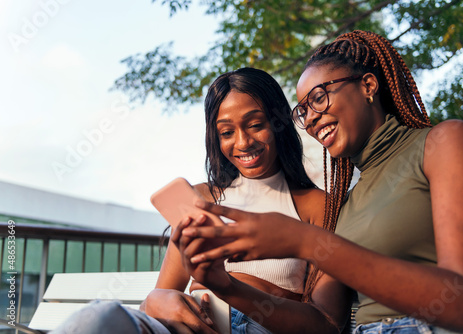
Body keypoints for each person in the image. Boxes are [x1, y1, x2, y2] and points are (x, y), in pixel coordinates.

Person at [175, 30, 463, 333]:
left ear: (368, 85)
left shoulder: (444, 143)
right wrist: (226, 286)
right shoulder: (345, 205)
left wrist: (304, 241)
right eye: (303, 110)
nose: (311, 118)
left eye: (318, 98)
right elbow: (326, 320)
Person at [52, 67, 347, 334]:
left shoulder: (318, 208)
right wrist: (158, 301)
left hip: (253, 328)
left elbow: (328, 325)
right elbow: (159, 296)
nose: (243, 143)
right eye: (227, 132)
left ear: (278, 121)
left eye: (256, 125)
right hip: (183, 325)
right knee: (98, 317)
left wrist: (229, 288)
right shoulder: (202, 198)